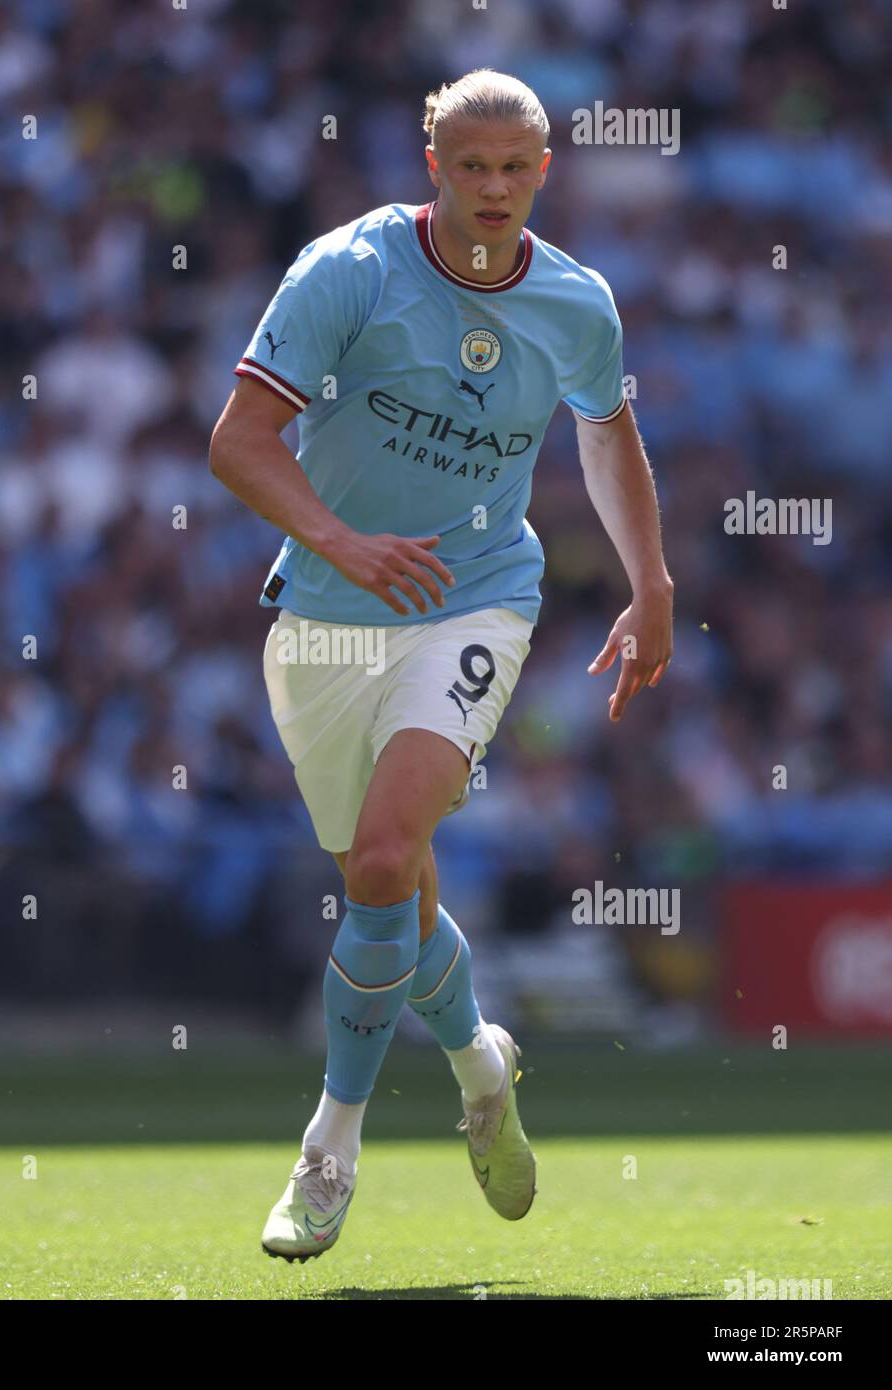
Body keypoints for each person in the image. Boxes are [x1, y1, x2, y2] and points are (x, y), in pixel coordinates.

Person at [209, 68, 674, 1261]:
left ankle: (328, 1150)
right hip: (325, 608)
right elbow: (238, 441)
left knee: (377, 858)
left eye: (515, 169)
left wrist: (651, 583)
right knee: (394, 891)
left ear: (542, 173)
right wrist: (342, 542)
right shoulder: (347, 271)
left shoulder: (576, 303)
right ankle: (480, 1063)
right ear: (433, 165)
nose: (493, 189)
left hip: (475, 596)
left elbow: (607, 436)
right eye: (471, 167)